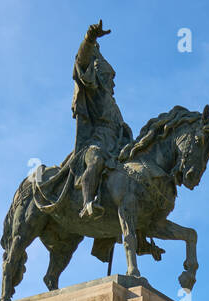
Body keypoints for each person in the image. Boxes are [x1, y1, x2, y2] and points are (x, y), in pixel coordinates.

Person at [72, 21, 133, 220]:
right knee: (96, 161)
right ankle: (87, 203)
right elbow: (81, 63)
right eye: (109, 76)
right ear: (98, 76)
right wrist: (90, 39)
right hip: (95, 144)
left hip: (117, 148)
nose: (113, 81)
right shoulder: (95, 91)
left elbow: (121, 128)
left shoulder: (114, 105)